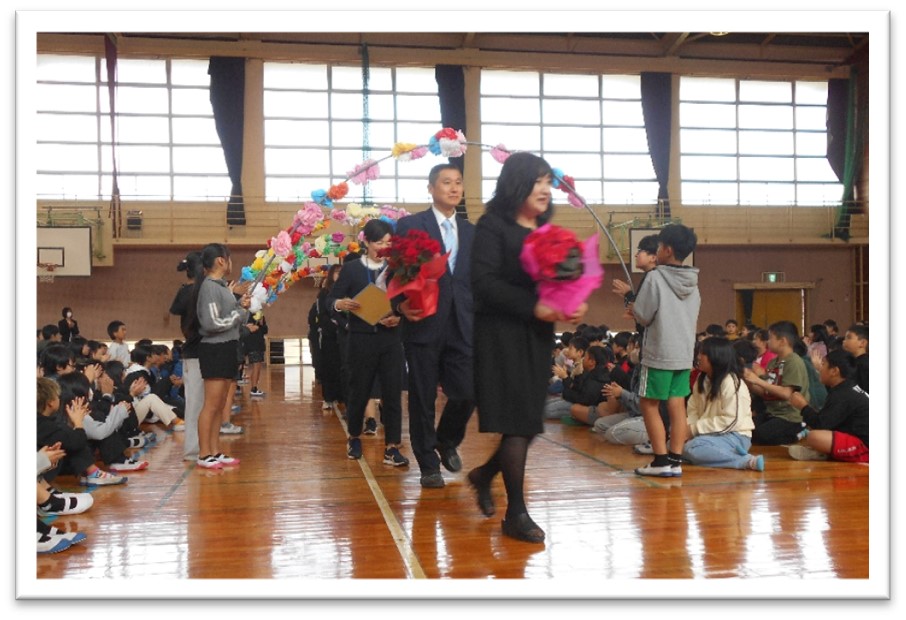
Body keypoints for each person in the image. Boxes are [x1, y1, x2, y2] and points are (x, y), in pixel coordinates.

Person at [467, 151, 588, 544]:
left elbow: (558, 280)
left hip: (537, 335)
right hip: (500, 335)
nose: (545, 189)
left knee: (530, 421)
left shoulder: (546, 230)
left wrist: (571, 300)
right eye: (538, 181)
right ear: (517, 183)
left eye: (548, 182)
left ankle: (484, 475)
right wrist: (533, 305)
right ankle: (515, 513)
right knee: (518, 423)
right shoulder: (493, 226)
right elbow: (483, 284)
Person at [394, 163, 476, 488]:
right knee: (423, 397)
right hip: (423, 322)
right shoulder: (411, 225)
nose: (454, 188)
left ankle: (446, 439)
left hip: (463, 323)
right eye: (446, 182)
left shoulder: (471, 231)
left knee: (468, 390)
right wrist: (399, 305)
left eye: (458, 182)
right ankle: (428, 463)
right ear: (431, 188)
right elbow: (395, 271)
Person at [329, 219, 410, 467]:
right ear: (366, 242)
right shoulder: (352, 269)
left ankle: (392, 447)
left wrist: (399, 317)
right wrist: (340, 304)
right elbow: (331, 299)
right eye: (379, 242)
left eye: (388, 243)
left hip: (390, 340)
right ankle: (354, 437)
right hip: (361, 340)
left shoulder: (396, 269)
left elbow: (406, 302)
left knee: (392, 393)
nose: (384, 247)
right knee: (359, 391)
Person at [631, 224, 701, 477]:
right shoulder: (693, 282)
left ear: (667, 250)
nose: (657, 251)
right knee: (677, 405)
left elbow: (643, 315)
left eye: (659, 247)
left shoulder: (655, 277)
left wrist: (633, 308)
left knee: (648, 404)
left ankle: (660, 460)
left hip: (659, 353)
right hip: (683, 354)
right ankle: (675, 460)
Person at [195, 243, 251, 469]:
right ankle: (203, 454)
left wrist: (240, 305)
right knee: (211, 405)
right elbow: (212, 323)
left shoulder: (221, 287)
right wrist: (239, 312)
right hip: (215, 349)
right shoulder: (209, 287)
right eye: (229, 258)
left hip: (227, 346)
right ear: (221, 260)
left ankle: (215, 450)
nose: (231, 263)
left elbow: (229, 315)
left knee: (219, 405)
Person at [682, 337, 764, 471]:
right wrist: (687, 429)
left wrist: (694, 429)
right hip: (709, 433)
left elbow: (732, 421)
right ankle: (723, 454)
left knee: (693, 448)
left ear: (716, 356)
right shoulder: (702, 379)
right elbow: (693, 409)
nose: (698, 357)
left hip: (735, 435)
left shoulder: (731, 382)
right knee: (674, 443)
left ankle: (745, 461)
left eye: (703, 353)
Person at [786, 349, 869, 462]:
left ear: (834, 371)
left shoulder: (843, 394)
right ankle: (825, 453)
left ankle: (825, 453)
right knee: (815, 434)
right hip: (858, 438)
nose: (820, 368)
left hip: (866, 447)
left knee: (814, 437)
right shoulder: (846, 388)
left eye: (823, 364)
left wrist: (803, 406)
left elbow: (820, 425)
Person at [742, 320, 809, 446]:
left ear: (782, 341)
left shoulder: (794, 361)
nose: (768, 341)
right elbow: (765, 392)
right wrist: (748, 380)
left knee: (761, 435)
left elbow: (786, 393)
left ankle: (799, 431)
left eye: (770, 338)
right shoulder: (773, 362)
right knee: (745, 430)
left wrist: (757, 380)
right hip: (772, 412)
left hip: (789, 416)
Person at [169, 251, 205, 462]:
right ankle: (193, 449)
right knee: (195, 404)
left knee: (204, 404)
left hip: (206, 353)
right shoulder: (189, 293)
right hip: (195, 354)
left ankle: (206, 447)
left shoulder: (201, 290)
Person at [316, 263, 345, 412]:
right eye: (337, 272)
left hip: (345, 336)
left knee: (344, 367)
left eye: (342, 272)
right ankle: (328, 398)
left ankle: (343, 396)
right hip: (329, 337)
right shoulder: (324, 293)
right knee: (329, 368)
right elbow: (321, 315)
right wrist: (334, 325)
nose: (339, 275)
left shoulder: (347, 291)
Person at [243, 313, 268, 398]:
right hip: (252, 344)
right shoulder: (248, 315)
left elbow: (265, 330)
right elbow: (247, 330)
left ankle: (255, 387)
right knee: (256, 366)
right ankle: (253, 388)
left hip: (259, 344)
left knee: (258, 366)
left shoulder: (261, 315)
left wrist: (261, 324)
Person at [842, 323, 869, 393]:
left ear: (862, 343)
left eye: (849, 338)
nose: (844, 341)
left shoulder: (864, 365)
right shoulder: (852, 362)